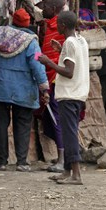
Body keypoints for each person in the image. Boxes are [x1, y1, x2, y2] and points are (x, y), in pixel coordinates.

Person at [0, 5, 49, 172]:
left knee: (1, 122)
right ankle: (21, 162)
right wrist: (44, 87)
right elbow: (37, 64)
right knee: (22, 123)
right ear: (27, 24)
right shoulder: (31, 42)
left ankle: (2, 161)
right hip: (22, 89)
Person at [38, 11, 89, 185]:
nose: (56, 26)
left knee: (69, 135)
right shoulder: (80, 41)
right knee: (69, 132)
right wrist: (60, 52)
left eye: (58, 23)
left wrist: (48, 62)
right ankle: (68, 172)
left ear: (64, 26)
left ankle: (76, 174)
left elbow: (68, 72)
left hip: (69, 94)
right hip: (78, 93)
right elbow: (74, 62)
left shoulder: (69, 42)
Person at [38, 0, 67, 172]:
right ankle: (63, 156)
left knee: (57, 119)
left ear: (55, 9)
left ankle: (63, 160)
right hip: (50, 77)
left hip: (57, 78)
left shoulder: (59, 27)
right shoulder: (50, 25)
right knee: (51, 119)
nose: (43, 9)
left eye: (46, 6)